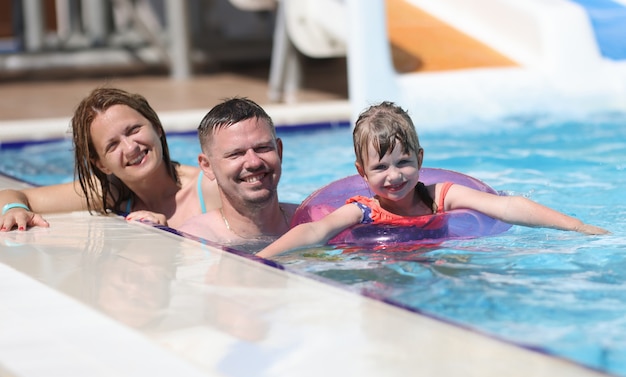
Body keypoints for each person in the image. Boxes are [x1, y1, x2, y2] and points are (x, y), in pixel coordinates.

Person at [256, 101, 610, 258]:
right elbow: (314, 232)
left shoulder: (439, 196)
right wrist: (262, 258)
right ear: (361, 173)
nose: (394, 176)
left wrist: (578, 227)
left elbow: (506, 206)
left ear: (421, 159)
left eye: (404, 162)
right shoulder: (362, 211)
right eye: (380, 168)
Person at [0, 87, 221, 231]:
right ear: (101, 164)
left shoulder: (209, 188)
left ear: (157, 128)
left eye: (134, 130)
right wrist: (13, 209)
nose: (130, 147)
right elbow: (12, 194)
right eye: (112, 145)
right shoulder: (110, 193)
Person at [177, 97, 297, 245]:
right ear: (207, 166)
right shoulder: (195, 240)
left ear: (279, 151)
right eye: (236, 154)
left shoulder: (313, 220)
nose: (254, 162)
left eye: (262, 148)